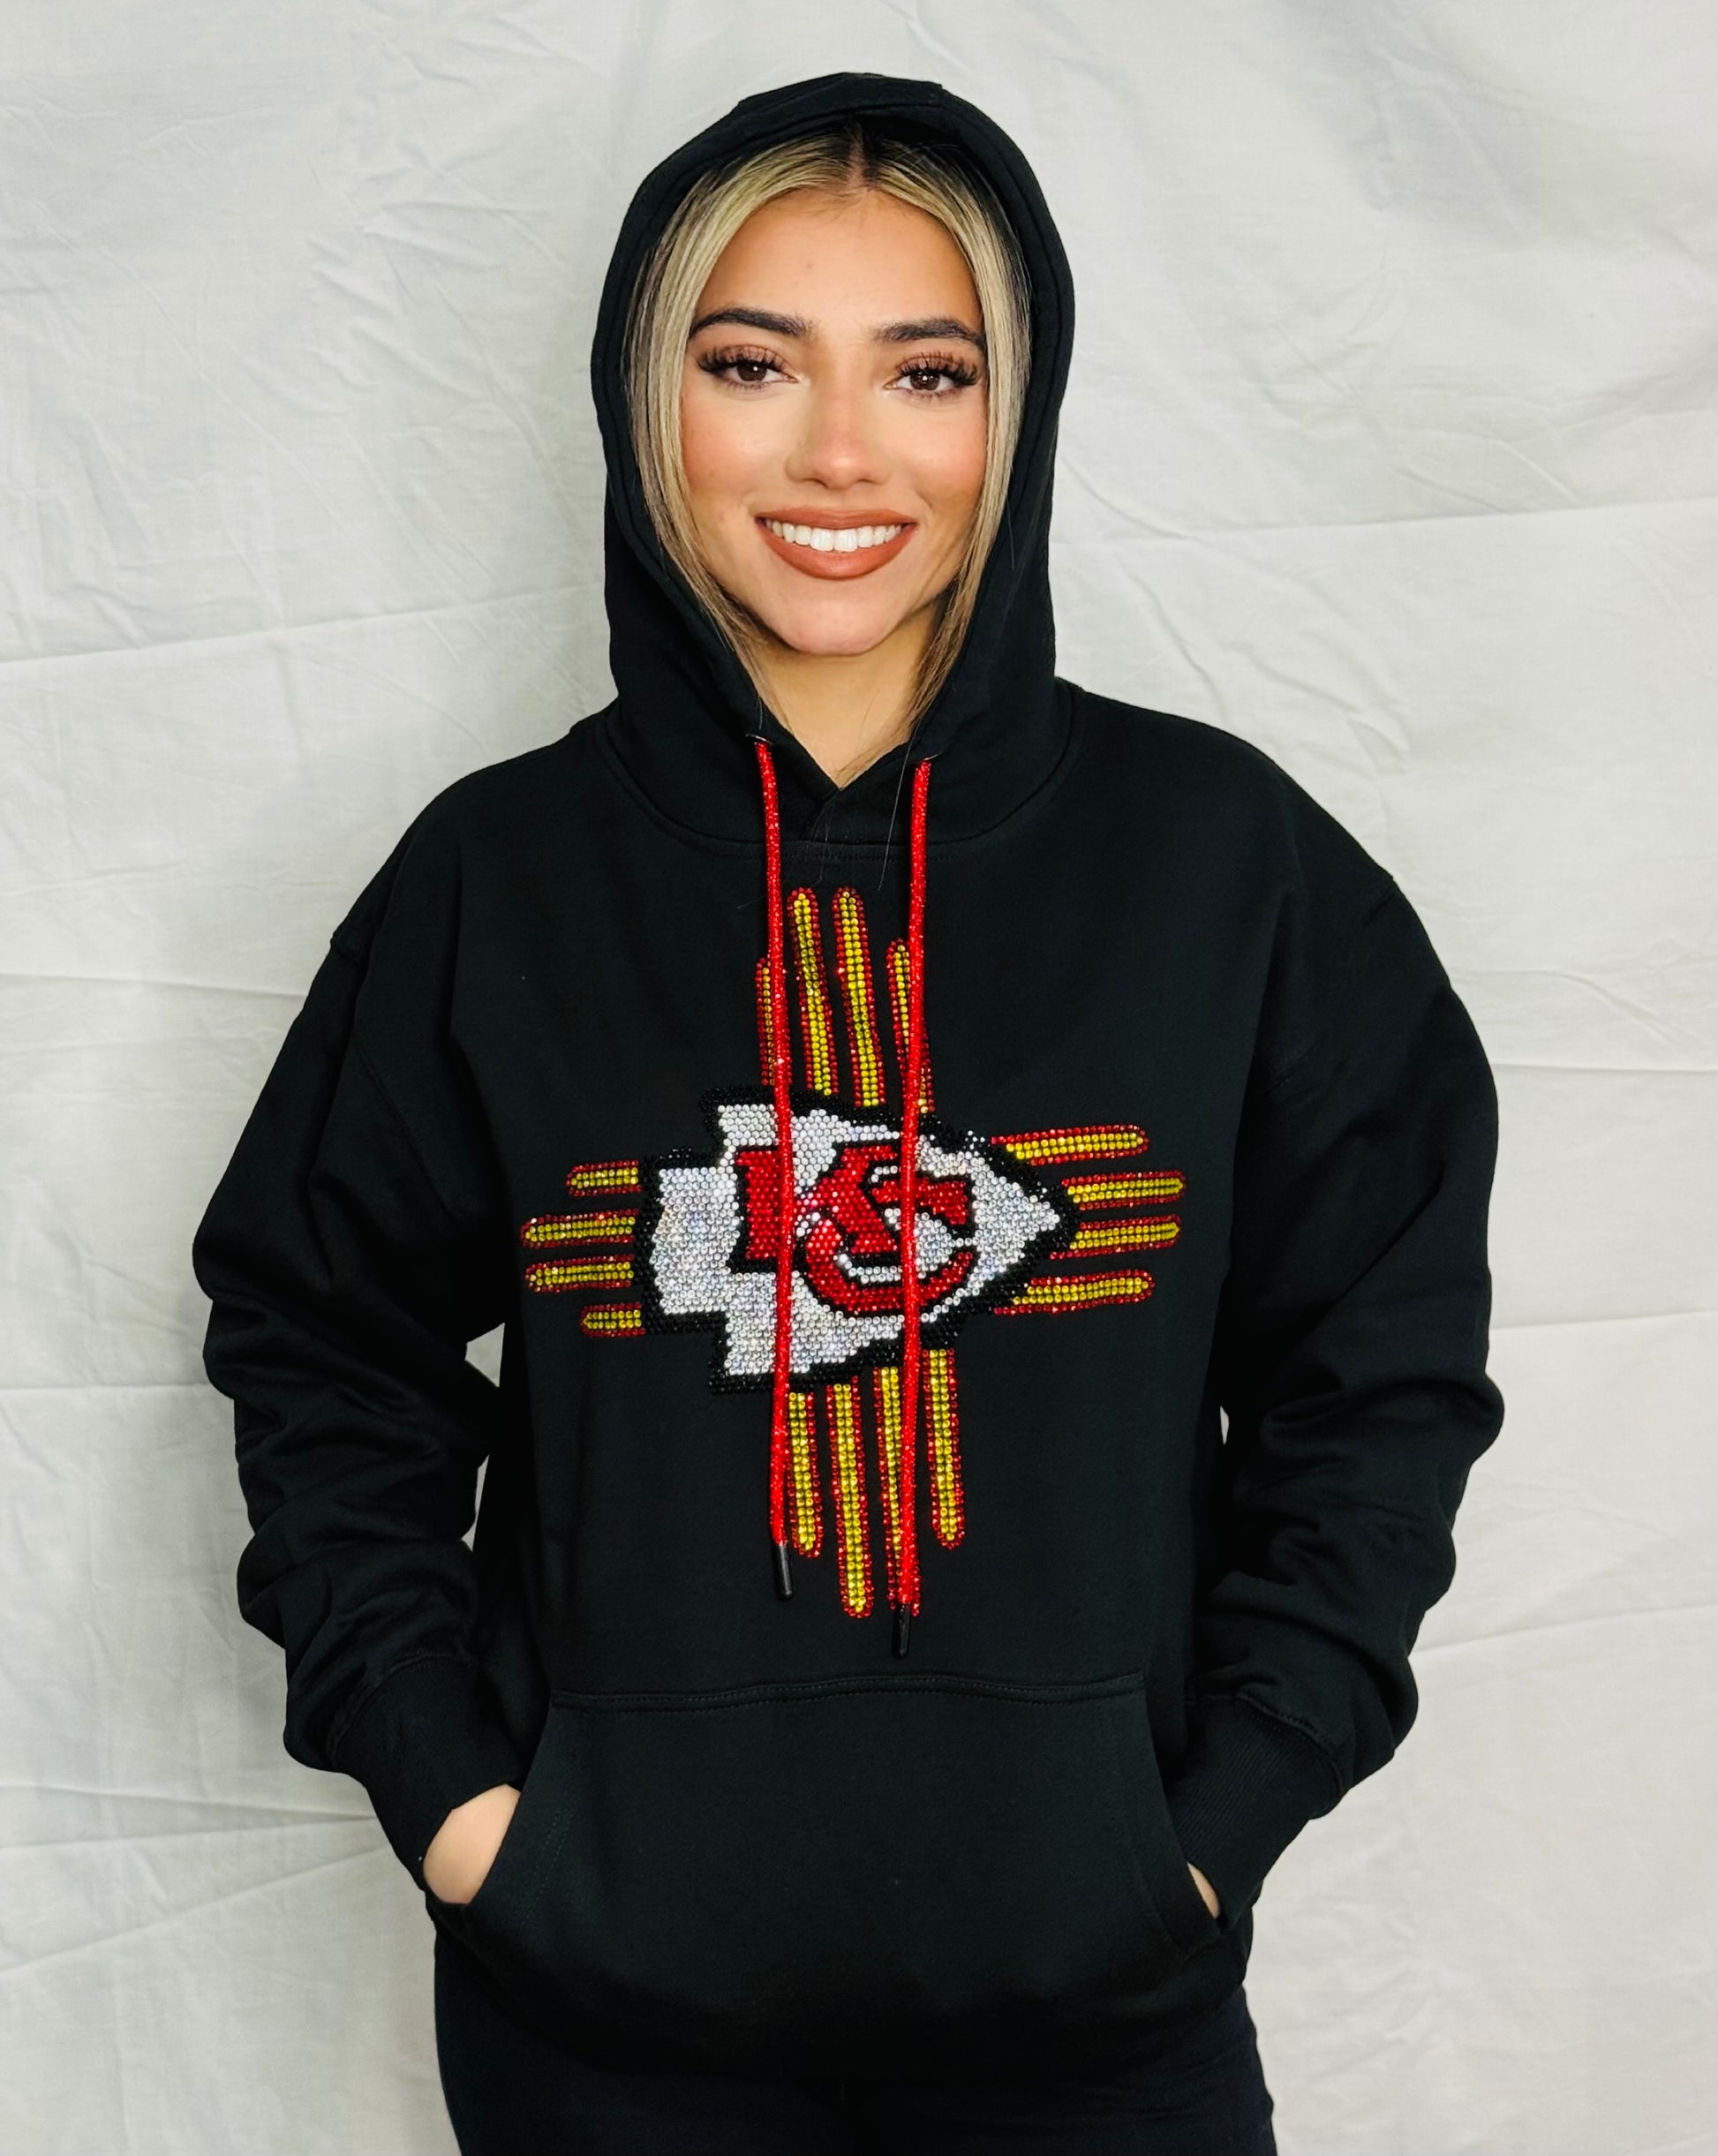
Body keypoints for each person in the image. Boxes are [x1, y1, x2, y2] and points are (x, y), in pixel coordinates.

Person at [191, 70, 1505, 2156]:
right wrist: (460, 1806)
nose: (837, 450)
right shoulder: (495, 883)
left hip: (1099, 2015)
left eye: (924, 370)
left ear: (1013, 417)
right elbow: (320, 1345)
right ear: (651, 405)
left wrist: (1212, 1822)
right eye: (751, 363)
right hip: (600, 2031)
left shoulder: (1219, 866)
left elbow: (1378, 1371)